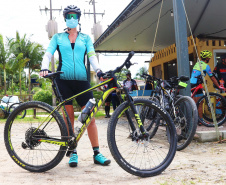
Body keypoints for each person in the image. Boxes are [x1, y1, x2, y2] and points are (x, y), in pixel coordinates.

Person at [39, 5, 110, 167]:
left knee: (90, 118)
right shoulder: (57, 37)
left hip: (82, 82)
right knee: (69, 118)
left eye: (74, 15)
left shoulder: (85, 38)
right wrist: (44, 67)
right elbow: (48, 53)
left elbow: (92, 56)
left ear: (78, 18)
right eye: (69, 15)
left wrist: (99, 71)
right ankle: (73, 152)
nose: (72, 18)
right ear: (65, 18)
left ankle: (97, 153)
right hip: (63, 82)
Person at [190, 50, 222, 125]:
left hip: (192, 84)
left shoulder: (197, 64)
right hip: (197, 85)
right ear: (207, 58)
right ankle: (200, 121)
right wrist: (218, 86)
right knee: (199, 104)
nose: (210, 59)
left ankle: (196, 120)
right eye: (209, 58)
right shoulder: (206, 66)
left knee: (194, 104)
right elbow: (212, 78)